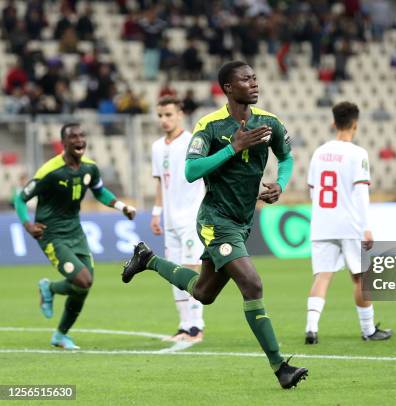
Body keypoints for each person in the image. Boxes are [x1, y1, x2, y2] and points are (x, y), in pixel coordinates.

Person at [121, 61, 308, 389]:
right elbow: (192, 171)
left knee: (204, 293)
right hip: (215, 220)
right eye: (244, 79)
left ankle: (148, 259)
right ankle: (280, 367)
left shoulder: (270, 123)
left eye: (254, 77)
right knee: (253, 284)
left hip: (243, 221)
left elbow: (287, 156)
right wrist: (233, 148)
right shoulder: (209, 127)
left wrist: (280, 182)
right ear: (228, 88)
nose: (253, 83)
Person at [13, 123, 136, 349]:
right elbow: (20, 199)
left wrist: (121, 206)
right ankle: (49, 289)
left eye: (82, 136)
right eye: (73, 137)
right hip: (51, 234)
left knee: (84, 285)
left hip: (75, 231)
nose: (79, 140)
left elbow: (99, 191)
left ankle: (60, 333)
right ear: (64, 143)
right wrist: (28, 225)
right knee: (83, 280)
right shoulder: (50, 171)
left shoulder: (89, 168)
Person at [305, 101, 392, 345]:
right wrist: (365, 227)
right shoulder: (358, 153)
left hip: (322, 223)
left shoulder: (319, 152)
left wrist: (322, 214)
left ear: (333, 123)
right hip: (350, 224)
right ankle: (368, 330)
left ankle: (311, 328)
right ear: (355, 124)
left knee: (322, 276)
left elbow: (313, 190)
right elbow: (361, 193)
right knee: (361, 277)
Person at [151, 96, 205, 343]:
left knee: (191, 270)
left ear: (180, 114)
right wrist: (156, 213)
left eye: (169, 115)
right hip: (171, 220)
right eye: (160, 115)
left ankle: (197, 327)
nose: (164, 120)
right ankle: (184, 326)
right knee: (174, 273)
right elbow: (161, 182)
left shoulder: (193, 142)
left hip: (192, 217)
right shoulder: (156, 147)